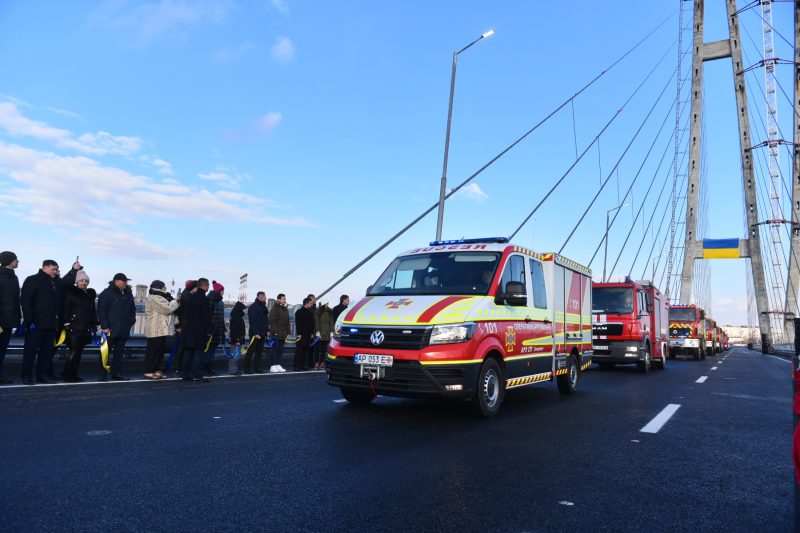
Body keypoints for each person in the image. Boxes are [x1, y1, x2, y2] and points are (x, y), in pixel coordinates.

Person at [20, 259, 80, 385]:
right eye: (53, 269)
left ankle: (42, 375)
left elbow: (66, 282)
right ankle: (27, 376)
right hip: (35, 324)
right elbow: (26, 302)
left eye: (57, 269)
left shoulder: (57, 282)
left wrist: (74, 270)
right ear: (45, 267)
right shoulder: (33, 280)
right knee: (30, 352)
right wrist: (30, 320)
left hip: (52, 324)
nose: (56, 271)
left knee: (46, 353)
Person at [96, 273, 136, 381]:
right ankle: (102, 374)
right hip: (109, 329)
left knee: (119, 354)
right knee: (105, 353)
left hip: (123, 329)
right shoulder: (107, 293)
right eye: (124, 281)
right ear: (116, 281)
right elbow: (101, 311)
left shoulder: (128, 294)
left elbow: (133, 310)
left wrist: (130, 322)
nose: (126, 283)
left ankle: (117, 373)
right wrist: (104, 326)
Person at [60, 270, 99, 382]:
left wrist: (94, 323)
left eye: (86, 281)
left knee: (78, 352)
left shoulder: (89, 294)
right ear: (77, 282)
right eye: (81, 280)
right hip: (74, 327)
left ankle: (73, 374)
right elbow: (66, 308)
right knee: (74, 351)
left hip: (85, 327)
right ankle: (67, 374)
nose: (84, 283)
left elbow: (92, 310)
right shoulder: (71, 293)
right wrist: (67, 323)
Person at [144, 280, 179, 379]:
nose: (165, 289)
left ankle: (156, 370)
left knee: (159, 351)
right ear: (160, 288)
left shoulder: (157, 297)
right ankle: (149, 370)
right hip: (155, 329)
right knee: (153, 351)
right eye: (163, 287)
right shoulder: (155, 298)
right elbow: (167, 309)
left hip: (159, 329)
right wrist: (175, 300)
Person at [180, 278, 211, 382]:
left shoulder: (190, 298)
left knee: (188, 351)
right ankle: (196, 374)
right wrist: (209, 330)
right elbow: (206, 316)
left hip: (188, 328)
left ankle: (185, 373)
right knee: (198, 352)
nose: (208, 287)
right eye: (208, 285)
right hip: (200, 330)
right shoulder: (204, 299)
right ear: (204, 286)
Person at [0, 251, 20, 385]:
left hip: (8, 320)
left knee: (2, 350)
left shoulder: (14, 277)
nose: (18, 261)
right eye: (16, 259)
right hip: (1, 320)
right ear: (9, 260)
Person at [201, 281, 226, 376]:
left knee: (211, 351)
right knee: (207, 350)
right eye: (222, 291)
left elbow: (221, 318)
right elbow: (207, 317)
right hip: (210, 331)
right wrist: (209, 330)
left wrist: (223, 328)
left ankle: (209, 367)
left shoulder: (220, 302)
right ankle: (204, 368)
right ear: (219, 291)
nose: (223, 293)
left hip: (216, 331)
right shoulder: (210, 301)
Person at [245, 292, 268, 374]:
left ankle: (257, 368)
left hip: (262, 333)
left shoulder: (263, 307)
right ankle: (247, 368)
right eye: (264, 297)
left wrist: (266, 330)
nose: (266, 298)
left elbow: (265, 320)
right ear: (260, 297)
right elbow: (252, 321)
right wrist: (255, 333)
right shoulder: (254, 307)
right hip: (256, 333)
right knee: (250, 352)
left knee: (259, 352)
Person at [268, 293, 289, 373]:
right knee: (274, 350)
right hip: (275, 334)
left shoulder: (285, 309)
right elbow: (271, 320)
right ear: (279, 300)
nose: (285, 300)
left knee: (280, 350)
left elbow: (287, 322)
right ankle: (272, 365)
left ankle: (278, 364)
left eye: (285, 299)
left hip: (283, 334)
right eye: (283, 299)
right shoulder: (275, 308)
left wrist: (288, 332)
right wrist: (275, 331)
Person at [294, 297, 315, 372]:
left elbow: (312, 323)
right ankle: (297, 366)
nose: (311, 305)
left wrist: (312, 332)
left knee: (305, 351)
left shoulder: (310, 312)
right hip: (301, 334)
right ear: (306, 303)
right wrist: (299, 333)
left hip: (308, 334)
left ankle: (303, 365)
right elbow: (298, 323)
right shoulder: (299, 312)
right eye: (310, 303)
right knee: (299, 350)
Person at [228, 301, 246, 375]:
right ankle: (233, 370)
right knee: (235, 355)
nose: (243, 311)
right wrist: (238, 339)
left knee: (235, 355)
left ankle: (233, 369)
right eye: (242, 309)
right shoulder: (237, 318)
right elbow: (236, 330)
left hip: (236, 338)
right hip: (237, 339)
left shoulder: (235, 316)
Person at [314, 301, 333, 370]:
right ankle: (316, 362)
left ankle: (322, 362)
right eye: (326, 303)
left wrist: (331, 331)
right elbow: (316, 322)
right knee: (317, 349)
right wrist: (318, 331)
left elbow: (331, 322)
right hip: (319, 333)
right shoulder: (318, 311)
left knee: (324, 349)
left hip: (327, 333)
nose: (327, 304)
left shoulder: (330, 311)